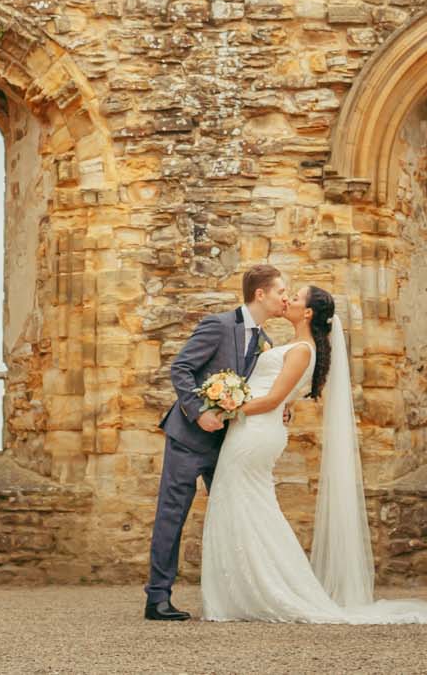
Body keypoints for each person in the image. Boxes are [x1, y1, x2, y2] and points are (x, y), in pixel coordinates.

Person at [197, 283, 427, 626]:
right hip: (253, 429)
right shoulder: (295, 346)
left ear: (308, 313)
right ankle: (243, 594)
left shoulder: (303, 349)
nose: (287, 298)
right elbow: (281, 399)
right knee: (242, 505)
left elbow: (273, 400)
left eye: (296, 297)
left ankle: (280, 591)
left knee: (251, 506)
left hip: (255, 432)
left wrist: (226, 407)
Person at [144, 264, 292, 620]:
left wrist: (279, 410)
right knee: (172, 515)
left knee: (234, 516)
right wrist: (198, 412)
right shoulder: (219, 325)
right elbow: (180, 368)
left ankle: (238, 596)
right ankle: (157, 599)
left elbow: (260, 390)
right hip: (188, 438)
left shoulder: (264, 340)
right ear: (261, 294)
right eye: (281, 292)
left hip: (229, 443)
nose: (285, 297)